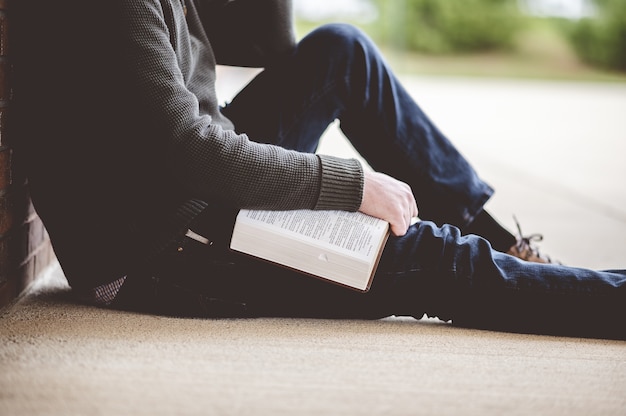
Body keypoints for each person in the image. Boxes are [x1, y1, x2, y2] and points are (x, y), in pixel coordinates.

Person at [12, 0, 625, 340]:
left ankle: (504, 244)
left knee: (340, 52)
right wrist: (351, 187)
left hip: (184, 179)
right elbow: (187, 151)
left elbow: (270, 46)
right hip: (153, 238)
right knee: (435, 259)